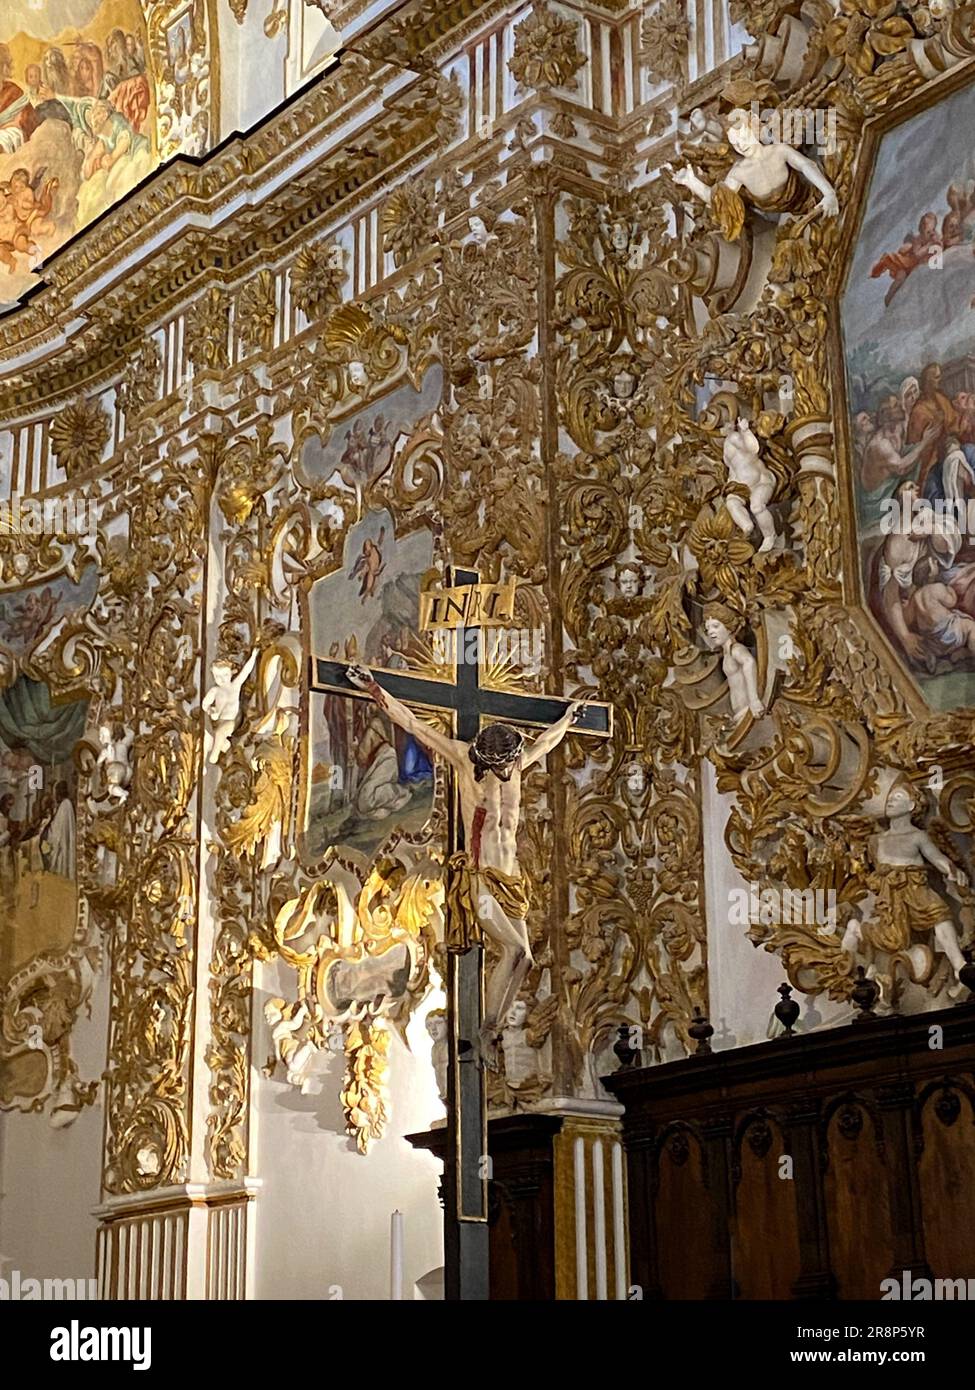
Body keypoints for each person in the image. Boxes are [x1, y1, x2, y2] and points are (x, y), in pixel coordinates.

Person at [347, 661, 588, 1063]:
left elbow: (547, 742)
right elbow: (415, 726)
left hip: (512, 881)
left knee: (525, 957)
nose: (505, 771)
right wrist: (375, 690)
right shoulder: (463, 760)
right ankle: (487, 1031)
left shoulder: (518, 763)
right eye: (498, 767)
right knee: (511, 951)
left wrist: (568, 718)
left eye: (508, 765)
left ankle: (493, 1025)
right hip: (480, 879)